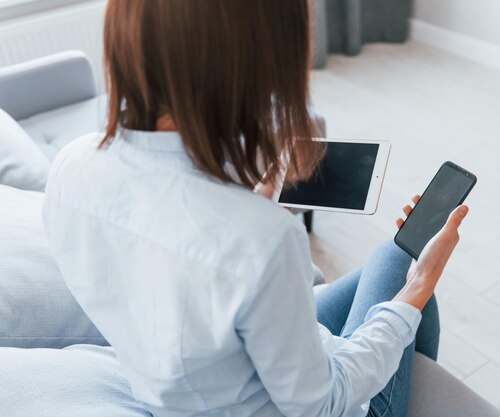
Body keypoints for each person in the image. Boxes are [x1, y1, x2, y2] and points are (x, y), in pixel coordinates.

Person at [42, 1, 469, 417]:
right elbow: (323, 402)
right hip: (304, 399)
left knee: (394, 258)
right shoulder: (257, 238)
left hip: (199, 376)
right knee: (406, 267)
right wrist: (418, 288)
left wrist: (252, 208)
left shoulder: (71, 165)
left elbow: (174, 272)